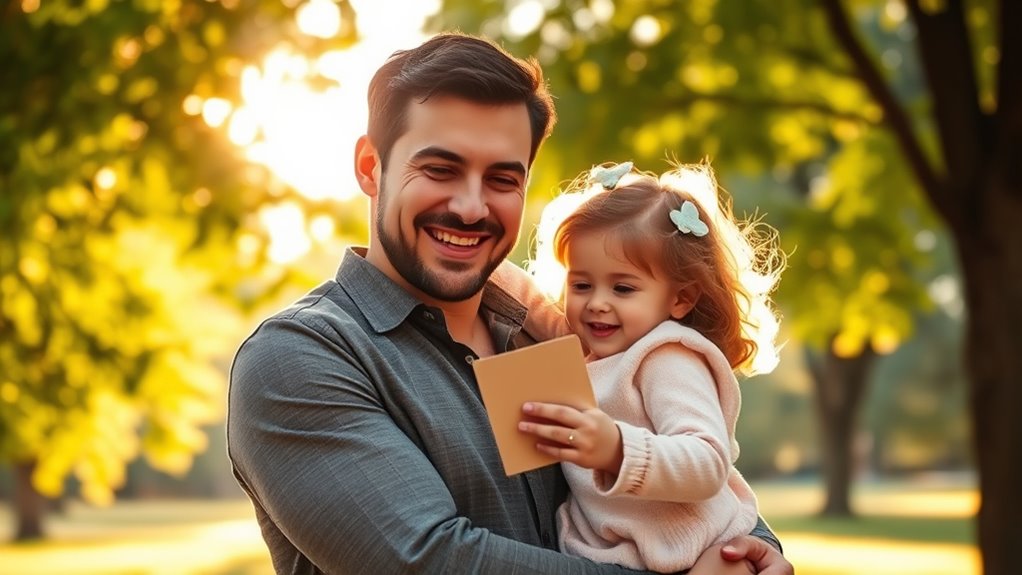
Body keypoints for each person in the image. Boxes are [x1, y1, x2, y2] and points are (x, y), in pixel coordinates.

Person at [227, 32, 793, 574]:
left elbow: (692, 479)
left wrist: (753, 548)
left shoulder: (552, 329)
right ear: (370, 167)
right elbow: (427, 561)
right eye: (441, 169)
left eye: (502, 178)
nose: (472, 208)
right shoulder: (302, 359)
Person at [509, 161, 785, 574]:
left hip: (698, 554)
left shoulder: (666, 356)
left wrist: (617, 449)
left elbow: (708, 461)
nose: (597, 302)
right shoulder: (586, 355)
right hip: (623, 556)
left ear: (680, 300)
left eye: (623, 288)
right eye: (581, 285)